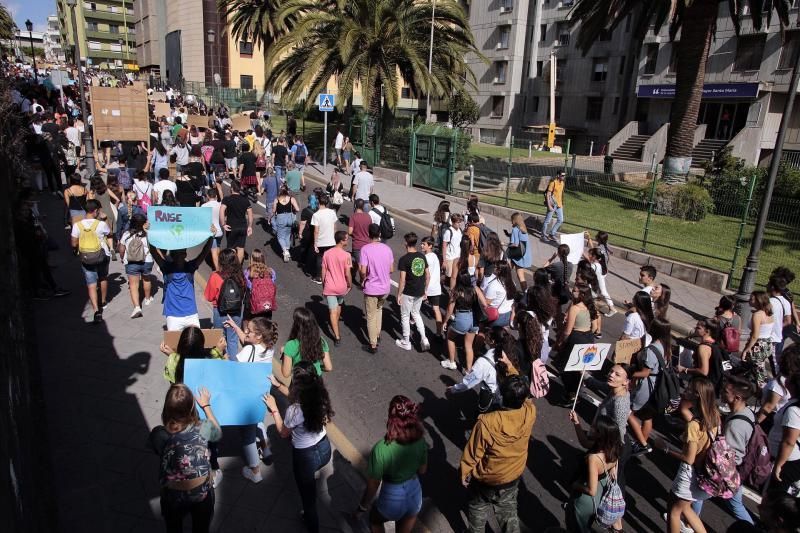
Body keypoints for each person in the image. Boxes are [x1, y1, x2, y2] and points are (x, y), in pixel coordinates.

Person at [460, 375, 536, 533]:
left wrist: (464, 471)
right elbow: (524, 395)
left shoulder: (487, 422)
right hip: (512, 476)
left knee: (477, 508)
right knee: (508, 514)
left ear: (501, 396)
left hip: (487, 479)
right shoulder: (529, 412)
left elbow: (473, 452)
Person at [264, 362, 334, 533]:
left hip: (305, 457)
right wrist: (278, 385)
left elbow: (282, 433)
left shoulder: (294, 411)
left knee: (308, 501)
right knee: (310, 480)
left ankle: (312, 525)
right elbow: (297, 398)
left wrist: (274, 409)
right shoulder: (320, 396)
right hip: (324, 449)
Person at [149, 384, 221, 533]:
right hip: (202, 493)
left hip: (172, 496)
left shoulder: (158, 434)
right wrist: (206, 405)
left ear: (167, 409)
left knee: (174, 528)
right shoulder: (203, 427)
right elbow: (218, 432)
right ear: (191, 409)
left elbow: (159, 452)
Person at [654, 377, 719, 533]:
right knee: (686, 508)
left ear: (697, 396)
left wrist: (666, 448)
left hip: (690, 473)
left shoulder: (693, 426)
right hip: (705, 471)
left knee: (674, 511)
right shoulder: (714, 416)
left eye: (689, 390)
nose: (685, 391)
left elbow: (688, 458)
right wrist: (683, 408)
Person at [219, 316, 279, 483]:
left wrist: (222, 353)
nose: (245, 332)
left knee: (247, 436)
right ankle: (266, 449)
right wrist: (234, 326)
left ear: (258, 336)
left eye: (249, 331)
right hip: (260, 394)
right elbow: (247, 340)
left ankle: (255, 471)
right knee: (258, 420)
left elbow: (232, 368)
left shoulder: (248, 351)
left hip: (245, 396)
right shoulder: (269, 347)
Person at [356, 396, 428, 533]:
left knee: (374, 519)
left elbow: (373, 484)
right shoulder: (421, 441)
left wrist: (362, 507)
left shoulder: (381, 448)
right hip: (415, 493)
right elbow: (423, 470)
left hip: (392, 497)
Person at [691, 374, 756, 524]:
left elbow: (731, 455)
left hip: (727, 473)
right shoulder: (746, 413)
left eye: (726, 391)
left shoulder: (736, 425)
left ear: (737, 397)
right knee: (735, 505)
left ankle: (689, 523)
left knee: (698, 492)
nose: (721, 392)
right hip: (732, 473)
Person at [564, 415, 623, 533]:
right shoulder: (613, 448)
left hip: (584, 501)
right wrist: (576, 423)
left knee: (576, 528)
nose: (591, 427)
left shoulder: (594, 458)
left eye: (594, 428)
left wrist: (575, 485)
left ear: (600, 435)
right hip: (599, 496)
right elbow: (584, 442)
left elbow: (591, 490)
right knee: (585, 526)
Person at [151, 237, 213, 331]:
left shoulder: (190, 267)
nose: (180, 256)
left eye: (182, 253)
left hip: (191, 314)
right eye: (177, 254)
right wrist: (149, 235)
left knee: (194, 343)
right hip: (173, 315)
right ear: (173, 255)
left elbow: (205, 252)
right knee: (174, 345)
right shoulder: (166, 267)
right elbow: (153, 251)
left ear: (185, 254)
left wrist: (211, 236)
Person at [629, 317, 670, 456]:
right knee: (647, 416)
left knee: (629, 412)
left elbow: (646, 372)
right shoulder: (665, 346)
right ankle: (641, 443)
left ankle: (642, 443)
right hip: (656, 385)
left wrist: (631, 374)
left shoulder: (652, 349)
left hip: (646, 386)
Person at [556, 283, 599, 406]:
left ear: (582, 294)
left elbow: (568, 331)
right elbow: (595, 328)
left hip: (576, 338)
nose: (572, 292)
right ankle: (575, 391)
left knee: (565, 367)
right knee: (578, 367)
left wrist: (560, 342)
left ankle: (571, 394)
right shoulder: (591, 307)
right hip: (588, 337)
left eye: (574, 291)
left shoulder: (574, 308)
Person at [71, 199, 111, 323]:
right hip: (101, 255)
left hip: (86, 257)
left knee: (91, 284)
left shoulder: (77, 225)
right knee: (103, 277)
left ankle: (95, 309)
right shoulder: (101, 224)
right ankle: (103, 301)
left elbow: (73, 243)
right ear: (95, 211)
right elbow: (109, 233)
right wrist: (105, 219)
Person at [204, 248, 247, 356]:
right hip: (236, 312)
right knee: (233, 341)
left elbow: (209, 297)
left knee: (220, 340)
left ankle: (221, 362)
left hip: (220, 312)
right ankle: (232, 366)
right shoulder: (241, 276)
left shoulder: (215, 276)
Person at [360, 223, 395, 354]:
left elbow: (363, 270)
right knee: (379, 310)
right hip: (385, 288)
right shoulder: (387, 249)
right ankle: (378, 334)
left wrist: (363, 279)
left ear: (368, 234)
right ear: (380, 234)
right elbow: (391, 269)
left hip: (372, 288)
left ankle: (373, 344)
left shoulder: (365, 249)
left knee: (370, 315)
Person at [395, 232, 430, 352]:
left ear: (406, 243)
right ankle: (424, 338)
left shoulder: (404, 259)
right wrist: (425, 290)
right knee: (416, 314)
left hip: (408, 292)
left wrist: (399, 294)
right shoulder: (422, 256)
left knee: (405, 316)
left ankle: (406, 341)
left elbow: (402, 280)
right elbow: (427, 275)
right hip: (420, 291)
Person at [767, 368, 800, 494]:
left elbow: (788, 442)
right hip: (791, 459)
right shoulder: (794, 404)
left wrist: (778, 465)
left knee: (773, 501)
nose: (786, 380)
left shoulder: (794, 410)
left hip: (787, 461)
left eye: (790, 379)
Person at [279, 307, 334, 379]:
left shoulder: (291, 345)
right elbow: (328, 367)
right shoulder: (320, 340)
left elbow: (286, 374)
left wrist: (283, 354)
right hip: (317, 380)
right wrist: (317, 369)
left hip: (300, 383)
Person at [118, 213, 154, 319]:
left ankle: (137, 307)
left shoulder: (126, 234)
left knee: (133, 285)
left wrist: (122, 257)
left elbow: (121, 249)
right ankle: (147, 298)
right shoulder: (148, 234)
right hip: (147, 260)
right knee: (147, 279)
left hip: (131, 262)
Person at [442, 273, 480, 371]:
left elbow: (450, 310)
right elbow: (484, 303)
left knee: (450, 337)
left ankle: (451, 362)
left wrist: (445, 322)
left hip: (462, 318)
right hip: (474, 319)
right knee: (468, 345)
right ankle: (468, 370)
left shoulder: (457, 292)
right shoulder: (474, 290)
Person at [321, 231, 352, 346]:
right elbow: (348, 273)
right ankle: (336, 326)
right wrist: (350, 284)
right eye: (347, 239)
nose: (348, 241)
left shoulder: (327, 253)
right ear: (342, 241)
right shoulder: (346, 255)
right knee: (338, 306)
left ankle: (337, 336)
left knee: (333, 311)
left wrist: (324, 284)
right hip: (342, 287)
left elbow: (323, 271)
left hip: (330, 286)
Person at [742, 290, 776, 389]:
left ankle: (761, 393)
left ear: (758, 301)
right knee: (759, 368)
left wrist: (746, 349)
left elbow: (755, 336)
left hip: (758, 345)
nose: (749, 300)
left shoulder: (757, 315)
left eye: (751, 299)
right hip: (767, 344)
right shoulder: (769, 311)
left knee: (759, 373)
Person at [220, 180, 253, 264]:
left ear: (231, 189)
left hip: (231, 226)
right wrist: (250, 226)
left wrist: (223, 224)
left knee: (231, 248)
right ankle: (238, 266)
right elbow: (250, 214)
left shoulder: (227, 199)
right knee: (241, 248)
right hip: (243, 226)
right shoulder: (245, 200)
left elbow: (222, 211)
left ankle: (231, 265)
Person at [476, 261, 517, 328]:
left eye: (495, 267)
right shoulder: (512, 282)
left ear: (499, 270)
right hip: (508, 315)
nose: (493, 269)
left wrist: (479, 294)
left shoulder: (494, 285)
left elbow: (486, 303)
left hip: (497, 317)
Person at [310, 194, 339, 284]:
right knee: (330, 258)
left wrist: (315, 243)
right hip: (331, 240)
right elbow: (335, 227)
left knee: (320, 258)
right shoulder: (332, 212)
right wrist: (333, 237)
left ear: (318, 202)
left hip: (321, 241)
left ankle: (319, 277)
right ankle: (329, 275)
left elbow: (316, 231)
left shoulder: (316, 215)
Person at [421, 236, 444, 337]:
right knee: (436, 309)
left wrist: (425, 290)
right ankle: (439, 333)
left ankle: (412, 322)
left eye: (424, 244)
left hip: (427, 287)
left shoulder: (425, 258)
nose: (421, 246)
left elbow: (427, 276)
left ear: (430, 246)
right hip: (436, 288)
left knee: (414, 306)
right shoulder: (435, 256)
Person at [271, 184, 300, 263]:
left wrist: (270, 218)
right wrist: (293, 210)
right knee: (288, 234)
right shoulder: (291, 198)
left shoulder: (277, 199)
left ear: (280, 191)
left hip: (281, 218)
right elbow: (297, 209)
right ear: (287, 191)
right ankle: (287, 249)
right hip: (290, 218)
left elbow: (273, 211)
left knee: (280, 236)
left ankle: (285, 251)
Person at [348, 198, 373, 285]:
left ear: (355, 206)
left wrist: (355, 234)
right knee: (359, 261)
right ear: (363, 207)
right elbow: (370, 230)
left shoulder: (353, 217)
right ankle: (353, 275)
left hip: (357, 245)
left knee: (360, 264)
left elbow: (350, 231)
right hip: (367, 244)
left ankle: (363, 281)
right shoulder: (368, 216)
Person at [201, 188, 224, 271]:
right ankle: (220, 265)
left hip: (212, 232)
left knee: (213, 252)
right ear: (216, 196)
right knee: (218, 248)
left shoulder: (204, 206)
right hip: (220, 231)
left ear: (207, 196)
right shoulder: (220, 205)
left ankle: (218, 270)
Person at [508, 212, 532, 290]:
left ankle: (511, 287)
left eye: (512, 219)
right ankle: (524, 291)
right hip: (523, 255)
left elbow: (515, 244)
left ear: (514, 220)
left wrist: (505, 244)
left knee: (509, 271)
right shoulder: (523, 229)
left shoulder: (515, 229)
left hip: (516, 256)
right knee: (519, 275)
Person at [542, 172, 565, 241]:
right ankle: (543, 235)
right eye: (562, 175)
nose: (563, 177)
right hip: (552, 205)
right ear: (558, 175)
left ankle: (552, 234)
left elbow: (561, 194)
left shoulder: (562, 183)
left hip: (559, 205)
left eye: (564, 175)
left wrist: (562, 204)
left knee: (560, 220)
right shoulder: (553, 183)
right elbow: (548, 195)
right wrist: (549, 206)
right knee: (547, 221)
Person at [442, 213, 464, 284]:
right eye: (458, 222)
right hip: (450, 257)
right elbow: (444, 246)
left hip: (457, 257)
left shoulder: (460, 230)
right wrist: (444, 260)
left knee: (454, 276)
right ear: (453, 222)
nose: (459, 224)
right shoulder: (448, 232)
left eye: (460, 222)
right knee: (449, 275)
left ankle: (453, 290)